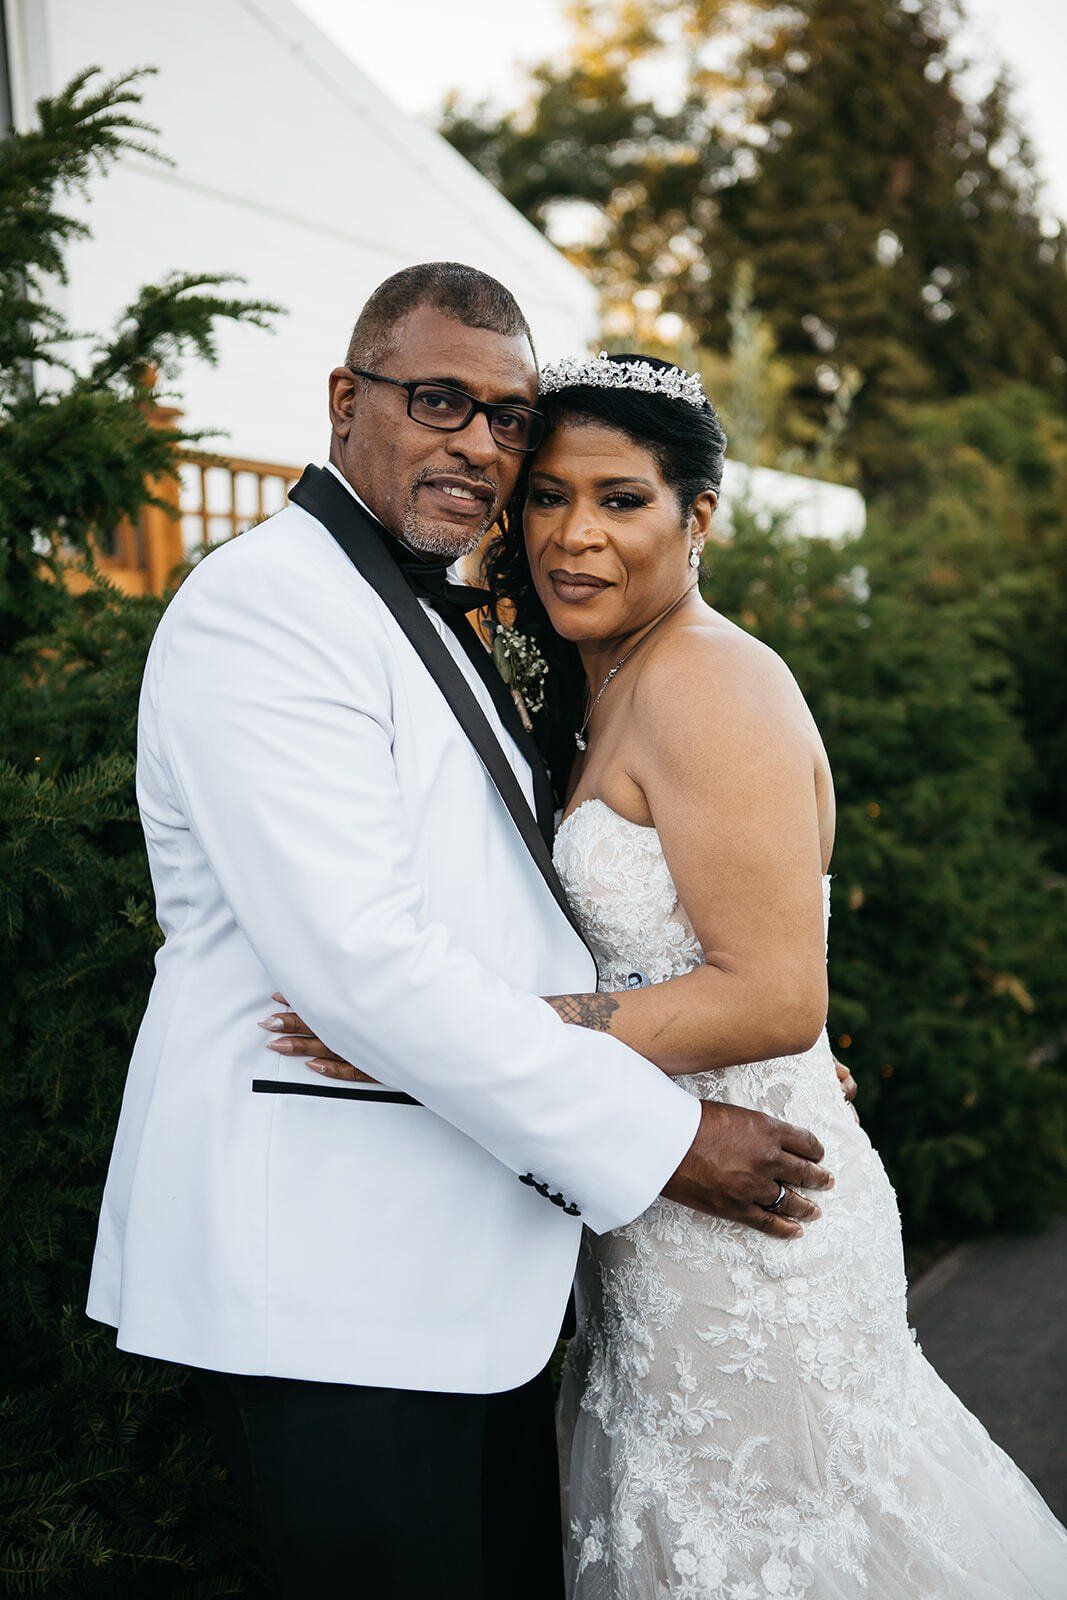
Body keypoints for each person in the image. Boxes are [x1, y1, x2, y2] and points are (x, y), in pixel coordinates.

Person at [86, 266, 837, 1600]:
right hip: (334, 1285)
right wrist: (661, 1133)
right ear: (344, 399)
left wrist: (737, 1031)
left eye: (507, 420)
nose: (481, 448)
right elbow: (364, 964)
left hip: (456, 1282)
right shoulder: (272, 607)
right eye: (440, 402)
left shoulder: (429, 606)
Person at [285, 349, 1067, 1596]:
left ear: (698, 515)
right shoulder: (607, 686)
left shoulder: (711, 681)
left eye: (619, 500)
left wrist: (436, 1030)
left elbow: (773, 996)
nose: (570, 536)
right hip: (651, 1211)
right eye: (544, 497)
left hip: (752, 1230)